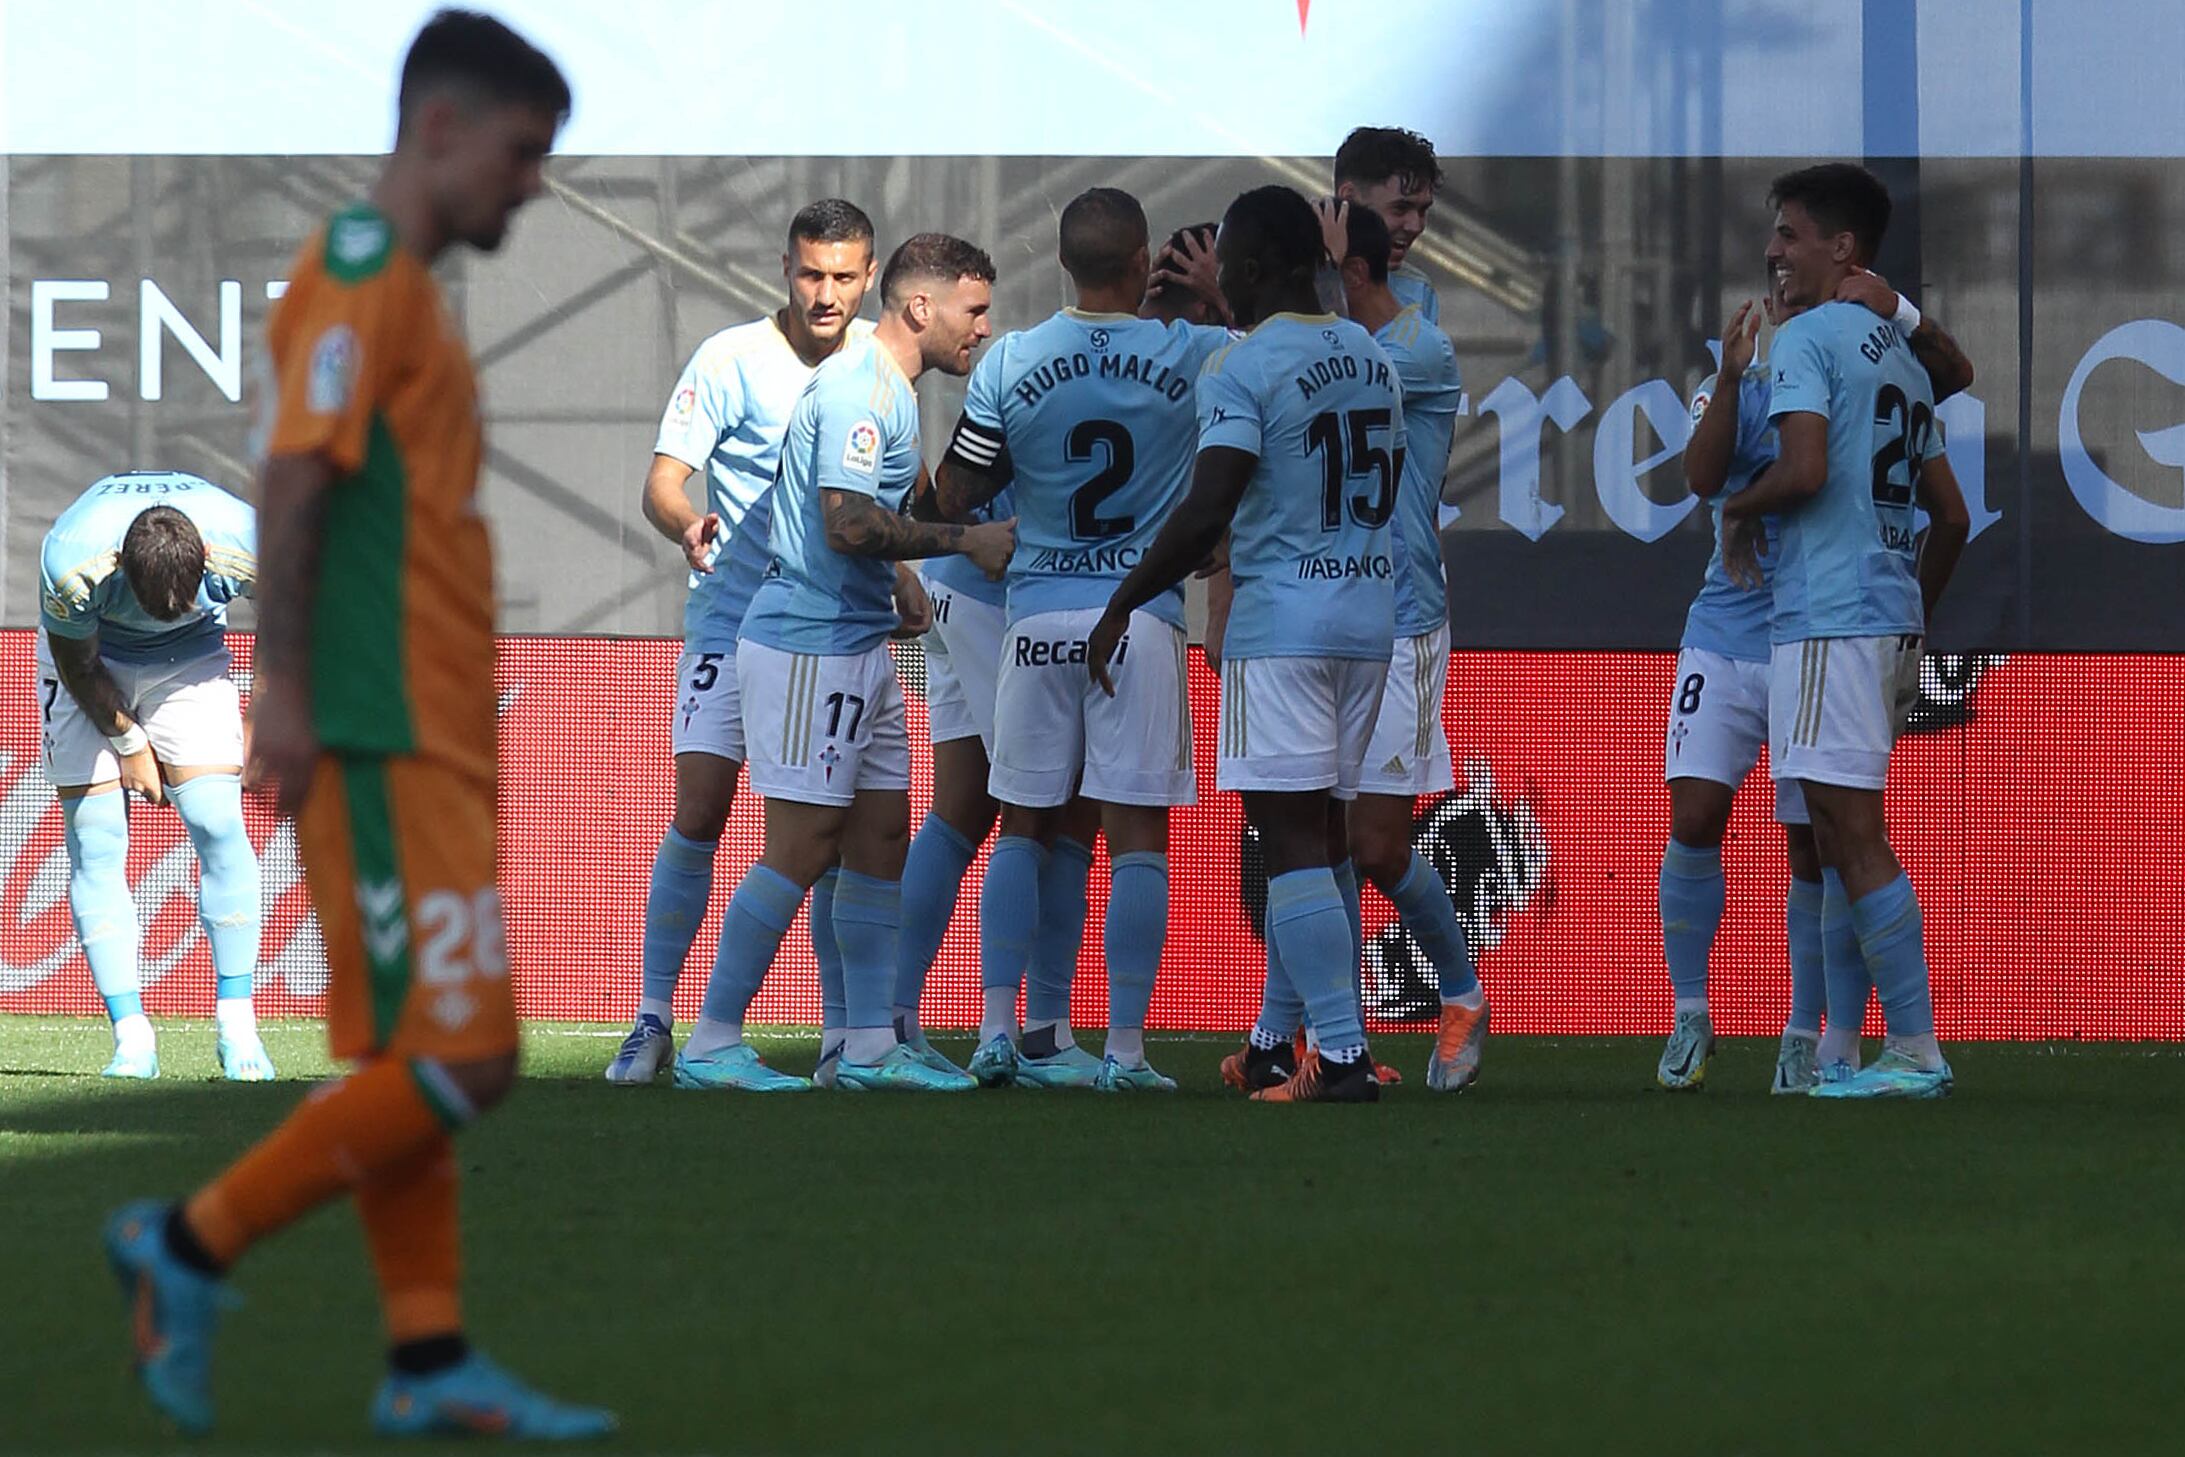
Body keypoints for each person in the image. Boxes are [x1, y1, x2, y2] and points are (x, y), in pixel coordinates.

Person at [103, 11, 615, 1438]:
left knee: (417, 1058)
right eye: (523, 155)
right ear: (442, 128)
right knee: (470, 1059)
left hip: (423, 725)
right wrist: (287, 692)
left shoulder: (397, 289)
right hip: (378, 729)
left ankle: (429, 1355)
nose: (532, 185)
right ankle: (188, 1241)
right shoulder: (357, 269)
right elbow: (290, 476)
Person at [672, 233, 1014, 1093]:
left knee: (880, 838)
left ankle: (865, 1044)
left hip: (858, 639)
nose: (982, 329)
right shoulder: (863, 389)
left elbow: (864, 528)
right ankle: (711, 1038)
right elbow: (846, 522)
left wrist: (901, 578)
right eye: (973, 311)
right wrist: (960, 541)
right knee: (800, 844)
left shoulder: (885, 386)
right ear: (921, 307)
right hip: (806, 644)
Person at [1090, 185, 1405, 1104]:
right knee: (1319, 835)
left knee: (1292, 841)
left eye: (1225, 259)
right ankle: (1274, 1042)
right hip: (1367, 619)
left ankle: (1339, 1058)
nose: (1217, 274)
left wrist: (1127, 597)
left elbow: (1207, 504)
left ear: (1254, 268)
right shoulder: (1371, 353)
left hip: (1284, 625)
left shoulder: (1240, 366)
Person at [604, 198, 914, 1086]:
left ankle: (838, 1037)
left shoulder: (873, 370)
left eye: (844, 277)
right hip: (730, 616)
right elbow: (663, 482)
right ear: (785, 268)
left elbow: (889, 498)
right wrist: (685, 526)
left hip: (827, 631)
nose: (826, 295)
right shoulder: (731, 358)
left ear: (868, 275)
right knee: (700, 808)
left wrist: (906, 572)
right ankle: (654, 1016)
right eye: (811, 274)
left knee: (830, 831)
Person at [933, 187, 1229, 1091]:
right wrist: (1217, 294)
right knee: (1135, 837)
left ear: (1062, 265)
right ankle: (1125, 1053)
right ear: (1141, 266)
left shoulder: (1011, 359)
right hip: (1137, 617)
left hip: (1034, 617)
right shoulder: (1199, 351)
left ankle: (992, 1030)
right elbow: (1281, 356)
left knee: (1019, 824)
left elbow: (953, 495)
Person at [1660, 265, 1975, 1093]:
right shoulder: (1749, 372)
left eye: (1794, 258)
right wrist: (1729, 379)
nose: (1783, 281)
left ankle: (1813, 1034)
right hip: (1730, 632)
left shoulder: (1860, 369)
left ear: (1842, 277)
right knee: (1693, 814)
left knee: (1822, 845)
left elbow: (1928, 423)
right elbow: (1699, 475)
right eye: (1775, 272)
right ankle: (1690, 1012)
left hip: (1820, 625)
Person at [37, 472, 273, 1081]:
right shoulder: (72, 559)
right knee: (96, 839)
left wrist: (261, 717)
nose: (164, 612)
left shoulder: (251, 541)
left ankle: (237, 1023)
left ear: (208, 562)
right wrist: (128, 741)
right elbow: (77, 661)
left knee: (218, 820)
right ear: (120, 569)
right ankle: (132, 1037)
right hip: (95, 655)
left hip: (190, 658)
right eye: (151, 603)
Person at [1327, 203, 1487, 1092]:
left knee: (1376, 842)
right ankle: (1325, 1037)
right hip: (1317, 617)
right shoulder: (1334, 335)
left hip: (1399, 617)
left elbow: (1319, 385)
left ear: (1350, 272)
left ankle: (1460, 993)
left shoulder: (1416, 347)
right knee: (1314, 836)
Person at [1333, 125, 1442, 323]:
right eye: (1400, 208)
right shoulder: (1289, 281)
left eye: (1423, 210)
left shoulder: (1419, 290)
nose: (1415, 226)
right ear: (1349, 198)